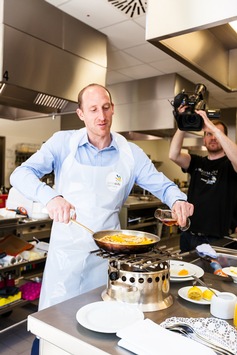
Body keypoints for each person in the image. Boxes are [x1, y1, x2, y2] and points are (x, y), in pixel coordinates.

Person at [10, 83, 193, 353]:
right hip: (66, 259)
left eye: (106, 108)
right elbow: (20, 175)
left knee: (97, 332)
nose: (101, 116)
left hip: (108, 259)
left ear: (113, 109)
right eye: (93, 109)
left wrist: (178, 199)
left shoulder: (130, 153)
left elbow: (164, 186)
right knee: (52, 332)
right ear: (81, 113)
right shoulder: (63, 143)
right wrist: (51, 197)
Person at [169, 108, 237, 252]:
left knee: (213, 275)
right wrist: (183, 122)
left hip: (216, 238)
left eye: (217, 134)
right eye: (208, 134)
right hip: (188, 234)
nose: (212, 138)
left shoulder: (230, 165)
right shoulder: (196, 162)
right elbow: (173, 155)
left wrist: (211, 126)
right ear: (204, 139)